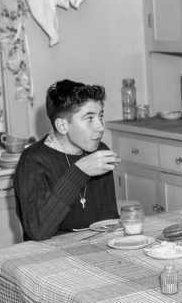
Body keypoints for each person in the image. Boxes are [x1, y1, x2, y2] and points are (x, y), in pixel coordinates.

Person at [14, 79, 120, 241]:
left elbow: (109, 219)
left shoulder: (100, 151)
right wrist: (78, 172)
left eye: (100, 116)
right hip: (51, 258)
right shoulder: (33, 160)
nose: (100, 127)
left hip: (94, 252)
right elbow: (37, 231)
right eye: (90, 119)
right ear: (62, 126)